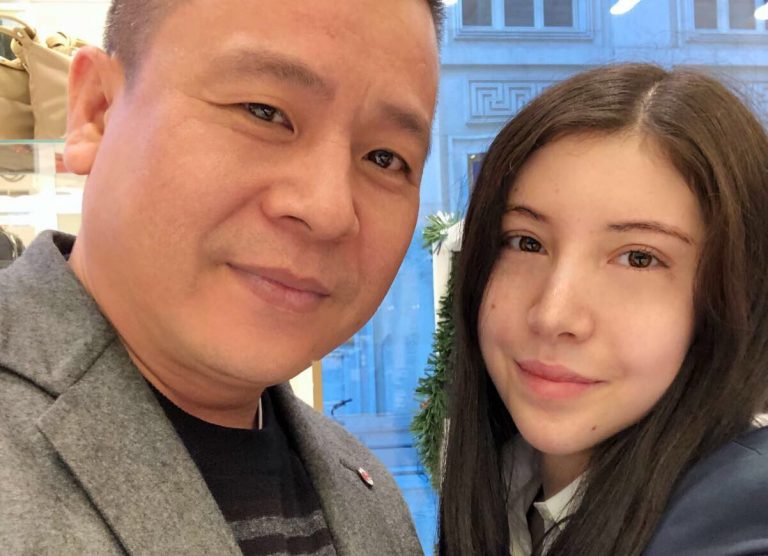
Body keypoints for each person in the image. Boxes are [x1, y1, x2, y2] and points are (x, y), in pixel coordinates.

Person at [0, 0, 442, 554]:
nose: (329, 210)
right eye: (263, 111)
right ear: (98, 110)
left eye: (384, 158)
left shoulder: (371, 497)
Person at [438, 63, 768, 556]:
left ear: (735, 295)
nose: (553, 315)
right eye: (526, 242)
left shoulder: (740, 518)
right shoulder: (511, 484)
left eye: (639, 258)